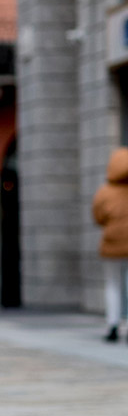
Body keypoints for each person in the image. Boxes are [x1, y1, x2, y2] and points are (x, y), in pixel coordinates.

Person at [92, 147, 128, 342]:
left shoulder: (105, 192)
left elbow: (98, 217)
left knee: (112, 285)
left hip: (111, 245)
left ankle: (112, 325)